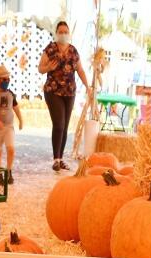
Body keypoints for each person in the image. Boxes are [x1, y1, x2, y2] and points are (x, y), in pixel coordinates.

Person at [38, 21, 89, 172]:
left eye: (65, 31)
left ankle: (60, 159)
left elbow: (80, 70)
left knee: (65, 126)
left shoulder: (73, 51)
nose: (63, 34)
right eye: (60, 31)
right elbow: (40, 68)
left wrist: (87, 86)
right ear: (56, 33)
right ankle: (56, 159)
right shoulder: (50, 49)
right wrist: (49, 67)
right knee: (59, 124)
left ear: (69, 33)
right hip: (53, 91)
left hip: (69, 92)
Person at [0, 65, 23, 184]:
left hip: (9, 127)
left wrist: (20, 119)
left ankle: (9, 171)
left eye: (8, 79)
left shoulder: (11, 94)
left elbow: (16, 108)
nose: (6, 81)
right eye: (3, 79)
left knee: (11, 148)